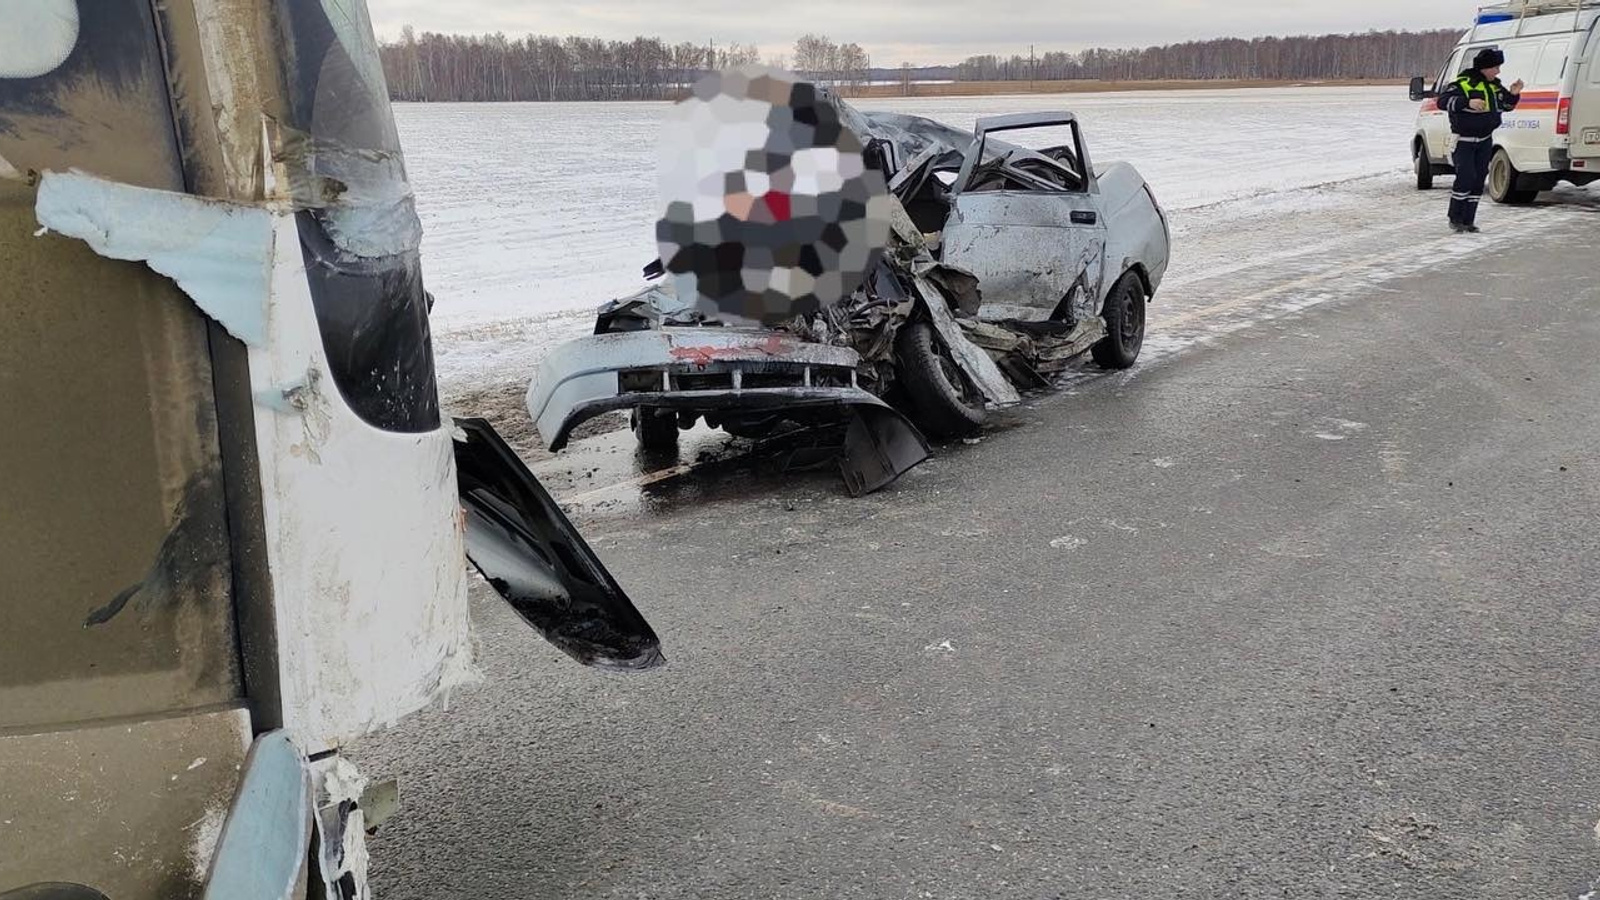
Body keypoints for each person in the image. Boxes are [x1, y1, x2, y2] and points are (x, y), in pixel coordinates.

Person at [1437, 48, 1524, 233]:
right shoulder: (1464, 84)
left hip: (1485, 140)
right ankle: (1455, 218)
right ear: (1484, 68)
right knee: (1465, 177)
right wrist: (1467, 103)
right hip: (1463, 140)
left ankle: (1468, 221)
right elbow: (1442, 101)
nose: (1498, 71)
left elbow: (1507, 105)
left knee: (1478, 179)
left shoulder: (1495, 87)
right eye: (1495, 67)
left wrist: (1514, 94)